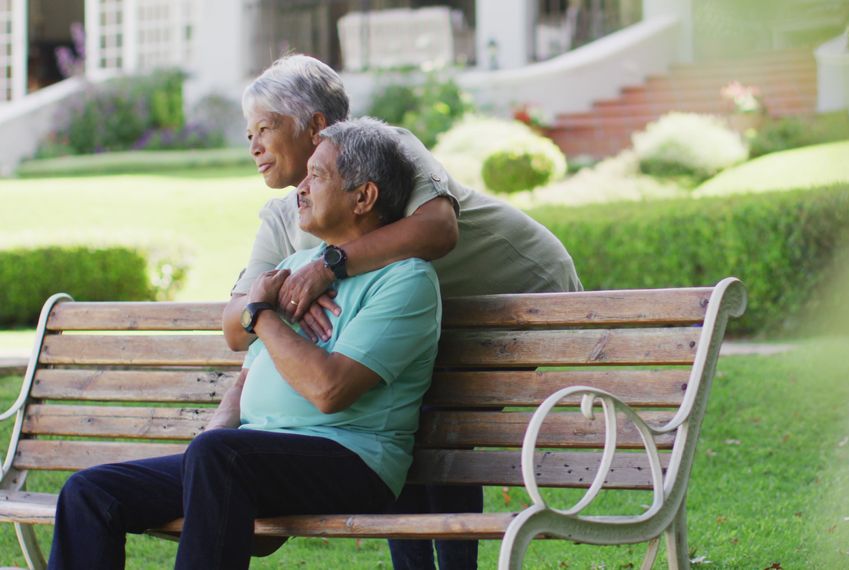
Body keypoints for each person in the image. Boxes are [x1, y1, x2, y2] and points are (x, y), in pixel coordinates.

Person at [219, 55, 583, 570]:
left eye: (265, 128)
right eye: (247, 131)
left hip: (516, 292)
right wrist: (267, 299)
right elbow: (238, 322)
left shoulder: (385, 149)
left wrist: (328, 266)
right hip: (429, 309)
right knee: (394, 410)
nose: (252, 145)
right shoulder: (282, 215)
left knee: (432, 419)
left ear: (317, 126)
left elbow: (437, 231)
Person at [47, 118, 440, 570]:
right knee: (90, 493)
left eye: (317, 176)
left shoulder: (406, 280)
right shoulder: (297, 265)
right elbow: (246, 379)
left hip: (352, 459)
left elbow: (330, 390)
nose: (301, 189)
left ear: (364, 197)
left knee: (222, 457)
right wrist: (209, 438)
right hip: (245, 457)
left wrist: (261, 314)